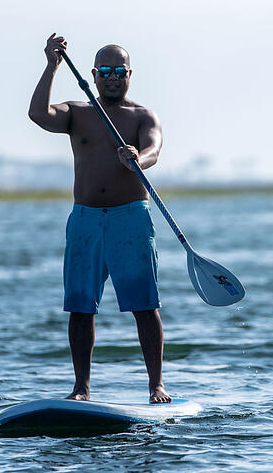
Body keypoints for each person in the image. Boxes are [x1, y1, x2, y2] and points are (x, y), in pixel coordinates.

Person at [28, 33, 171, 403]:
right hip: (86, 220)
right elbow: (38, 115)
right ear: (93, 74)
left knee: (145, 305)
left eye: (118, 71)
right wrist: (51, 66)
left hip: (131, 218)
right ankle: (81, 389)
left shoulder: (141, 115)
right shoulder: (78, 112)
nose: (112, 77)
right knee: (80, 306)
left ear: (129, 74)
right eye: (104, 71)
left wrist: (138, 156)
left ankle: (156, 385)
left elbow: (154, 148)